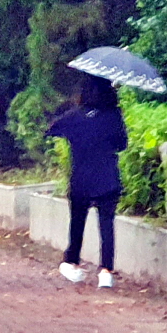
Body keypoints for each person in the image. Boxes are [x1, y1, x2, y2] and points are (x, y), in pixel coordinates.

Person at [46, 74, 128, 289]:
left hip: (81, 178)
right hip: (107, 177)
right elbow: (122, 144)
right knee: (107, 225)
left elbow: (52, 129)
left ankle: (71, 262)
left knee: (77, 222)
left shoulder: (75, 116)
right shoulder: (113, 116)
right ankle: (106, 271)